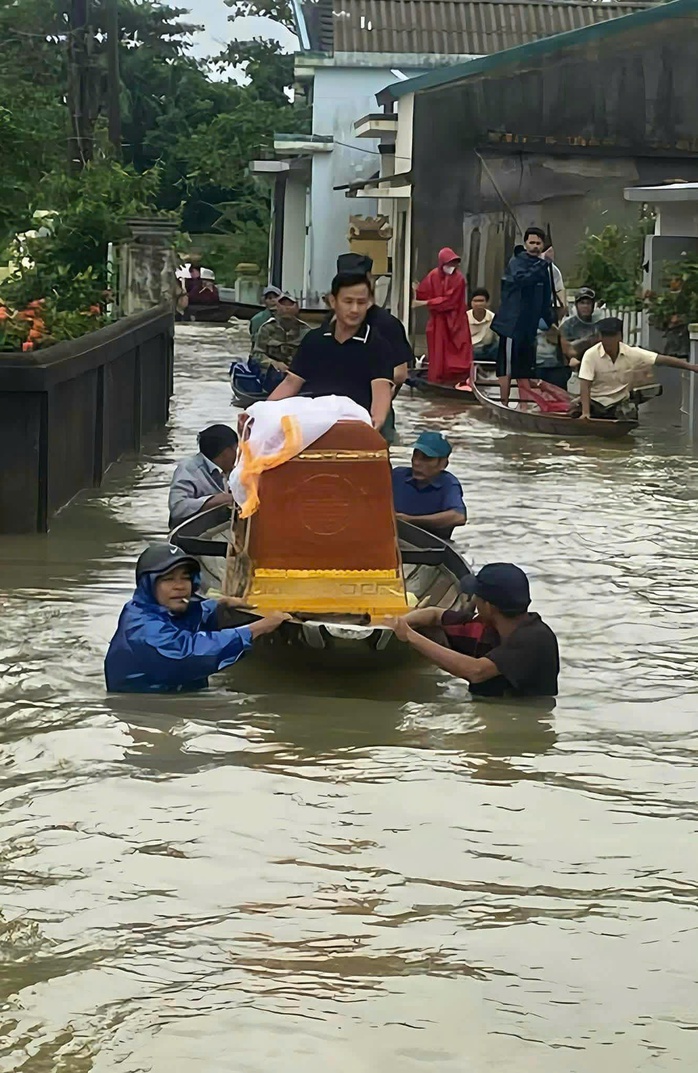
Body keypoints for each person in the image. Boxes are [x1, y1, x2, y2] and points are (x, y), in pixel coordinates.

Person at [105, 544, 289, 693]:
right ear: (148, 585)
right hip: (144, 708)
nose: (180, 587)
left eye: (185, 578)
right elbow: (189, 652)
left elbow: (196, 612)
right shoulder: (142, 627)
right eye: (168, 579)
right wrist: (258, 628)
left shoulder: (167, 608)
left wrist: (221, 603)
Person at [386, 563, 559, 698]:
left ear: (489, 607)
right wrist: (398, 623)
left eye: (477, 597)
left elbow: (476, 671)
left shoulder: (535, 639)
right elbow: (435, 616)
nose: (473, 601)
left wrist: (409, 636)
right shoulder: (487, 627)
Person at [267, 272, 394, 430]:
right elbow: (291, 383)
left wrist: (375, 423)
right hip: (311, 425)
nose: (355, 309)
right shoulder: (314, 340)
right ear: (333, 301)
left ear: (369, 303)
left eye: (361, 302)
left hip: (354, 427)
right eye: (348, 301)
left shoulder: (377, 346)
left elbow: (381, 392)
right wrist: (261, 412)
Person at [336, 252, 412, 444]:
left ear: (370, 281)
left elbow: (400, 373)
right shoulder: (331, 323)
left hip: (373, 411)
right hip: (332, 413)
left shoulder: (386, 324)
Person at [572, 317, 698, 420]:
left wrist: (691, 367)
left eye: (611, 336)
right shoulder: (591, 355)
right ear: (600, 336)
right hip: (595, 400)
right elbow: (585, 384)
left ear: (619, 337)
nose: (608, 340)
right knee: (574, 410)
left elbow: (661, 359)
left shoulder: (631, 353)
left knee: (629, 414)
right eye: (605, 336)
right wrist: (585, 413)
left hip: (619, 401)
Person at [492, 227, 555, 407]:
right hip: (512, 325)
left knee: (526, 368)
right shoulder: (517, 262)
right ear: (525, 243)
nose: (535, 247)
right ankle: (503, 403)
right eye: (531, 243)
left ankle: (524, 405)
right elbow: (523, 279)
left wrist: (549, 321)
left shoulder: (544, 266)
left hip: (529, 326)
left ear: (543, 245)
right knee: (507, 367)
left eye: (538, 243)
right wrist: (543, 261)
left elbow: (545, 296)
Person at [413, 247, 473, 384]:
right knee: (438, 351)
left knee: (459, 349)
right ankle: (438, 380)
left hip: (456, 320)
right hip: (438, 321)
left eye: (454, 263)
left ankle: (460, 380)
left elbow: (450, 300)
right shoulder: (433, 275)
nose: (452, 267)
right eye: (449, 263)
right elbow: (422, 291)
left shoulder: (459, 279)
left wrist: (425, 302)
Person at [392, 431, 466, 540]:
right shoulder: (397, 476)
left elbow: (458, 517)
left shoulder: (448, 484)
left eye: (426, 458)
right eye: (415, 456)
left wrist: (410, 520)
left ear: (443, 464)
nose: (417, 463)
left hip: (431, 546)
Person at [168, 424, 238, 530]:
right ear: (226, 452)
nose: (237, 455)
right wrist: (218, 500)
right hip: (190, 536)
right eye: (235, 450)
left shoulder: (230, 471)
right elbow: (178, 507)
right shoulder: (189, 469)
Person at [250, 292, 310, 393]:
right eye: (283, 304)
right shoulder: (266, 328)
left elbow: (312, 357)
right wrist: (273, 363)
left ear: (297, 307)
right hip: (271, 375)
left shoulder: (306, 331)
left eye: (290, 304)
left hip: (297, 376)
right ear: (277, 307)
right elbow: (256, 354)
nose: (286, 308)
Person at [558, 287, 605, 396]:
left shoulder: (600, 325)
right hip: (574, 369)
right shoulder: (567, 325)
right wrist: (588, 341)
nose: (585, 306)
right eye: (582, 303)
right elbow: (567, 349)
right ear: (576, 305)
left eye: (588, 303)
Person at [468, 288, 498, 361]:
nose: (478, 304)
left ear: (487, 303)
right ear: (471, 303)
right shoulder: (464, 318)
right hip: (469, 350)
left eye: (481, 301)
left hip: (487, 350)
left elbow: (497, 339)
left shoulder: (493, 318)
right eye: (475, 301)